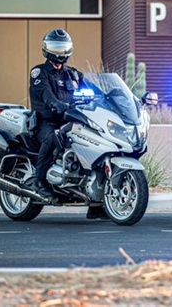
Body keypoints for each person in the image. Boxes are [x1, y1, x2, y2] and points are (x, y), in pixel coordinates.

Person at [28, 29, 107, 219]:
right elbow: (45, 94)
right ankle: (39, 181)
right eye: (56, 48)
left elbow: (95, 93)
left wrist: (108, 99)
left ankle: (97, 202)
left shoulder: (73, 74)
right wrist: (56, 104)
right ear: (46, 49)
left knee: (97, 145)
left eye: (64, 48)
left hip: (71, 119)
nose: (60, 53)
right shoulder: (39, 72)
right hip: (47, 121)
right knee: (52, 136)